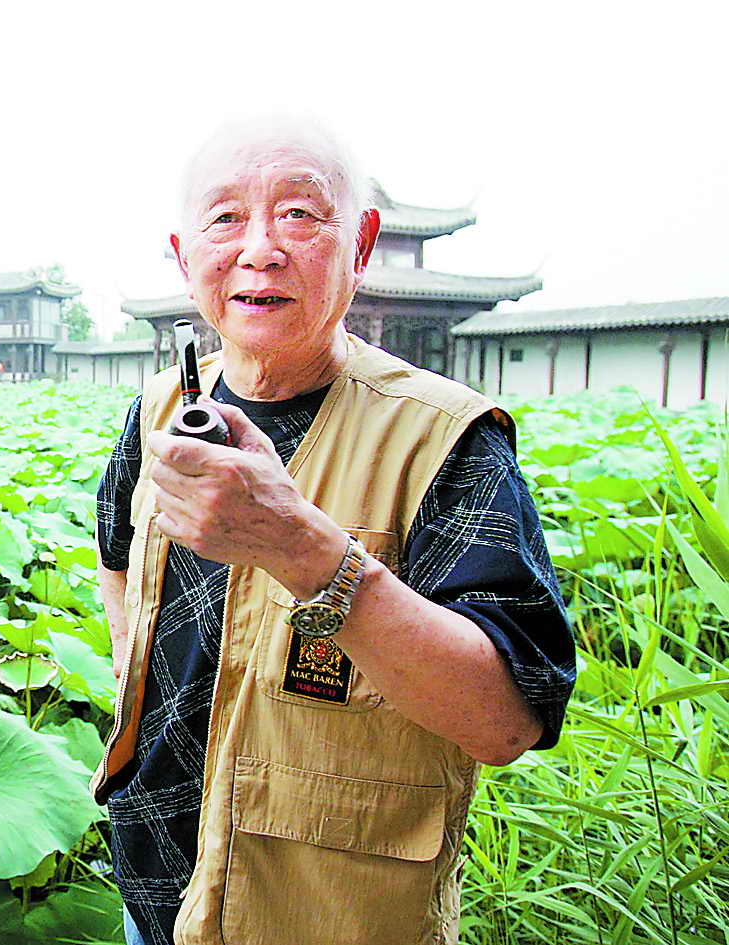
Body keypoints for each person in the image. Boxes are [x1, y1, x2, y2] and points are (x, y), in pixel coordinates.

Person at [93, 115, 575, 945]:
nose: (259, 248)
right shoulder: (156, 410)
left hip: (329, 913)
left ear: (360, 244)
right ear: (182, 254)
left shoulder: (444, 439)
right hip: (150, 887)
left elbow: (505, 721)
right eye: (224, 219)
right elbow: (113, 556)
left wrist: (300, 548)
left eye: (299, 214)